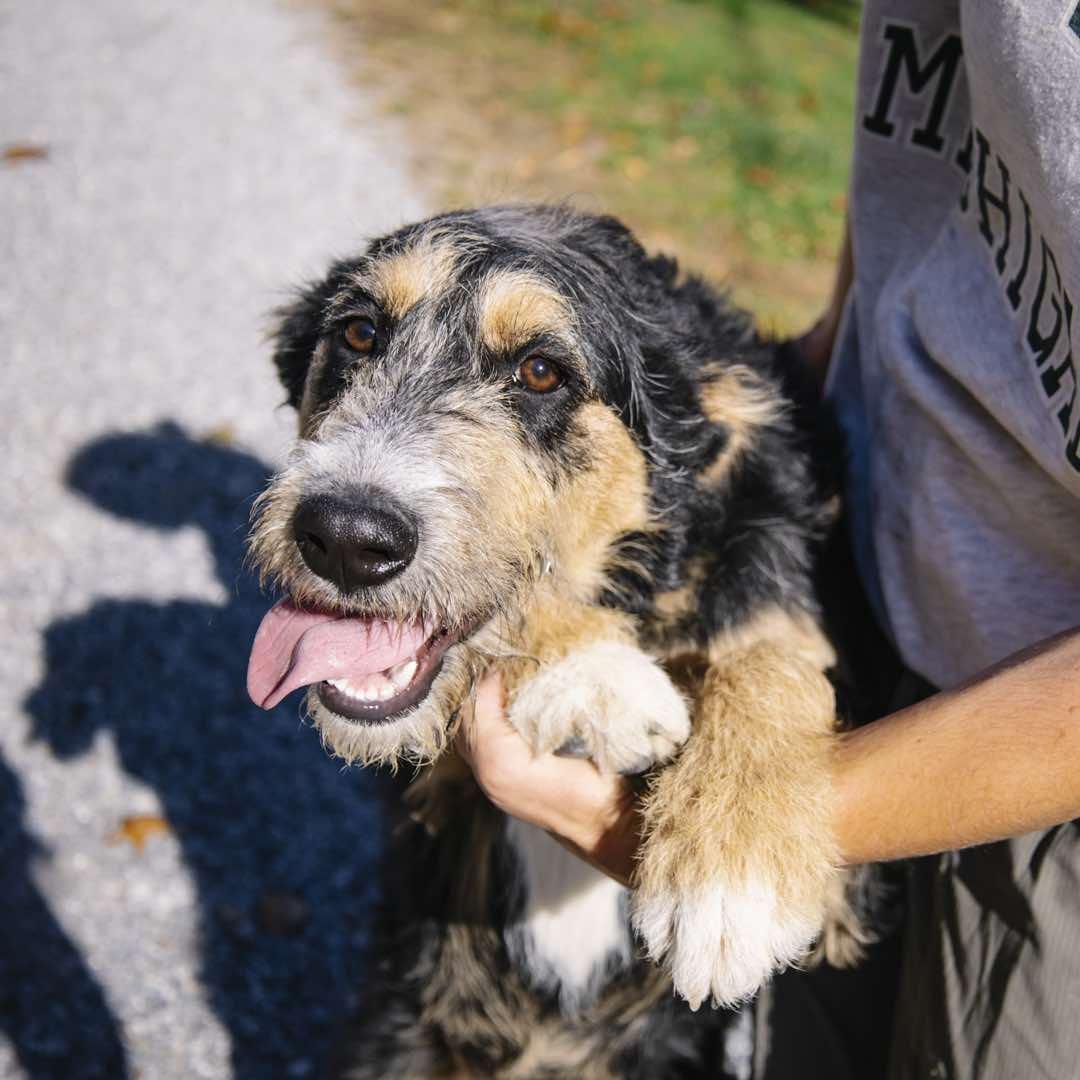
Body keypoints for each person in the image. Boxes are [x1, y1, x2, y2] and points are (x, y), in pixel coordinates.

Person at [459, 2, 1080, 1077]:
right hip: (861, 573)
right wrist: (831, 352)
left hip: (1039, 770)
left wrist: (751, 817)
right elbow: (939, 140)